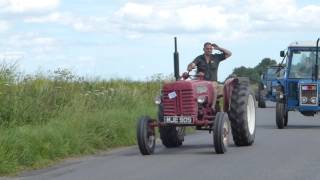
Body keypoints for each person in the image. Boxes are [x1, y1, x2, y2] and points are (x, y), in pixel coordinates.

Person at [187, 42, 232, 110]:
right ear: (203, 49)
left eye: (210, 49)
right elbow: (192, 65)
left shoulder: (216, 57)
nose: (209, 50)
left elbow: (229, 53)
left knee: (213, 86)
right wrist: (191, 66)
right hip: (201, 82)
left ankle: (212, 107)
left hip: (212, 81)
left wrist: (219, 48)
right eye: (207, 49)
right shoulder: (199, 58)